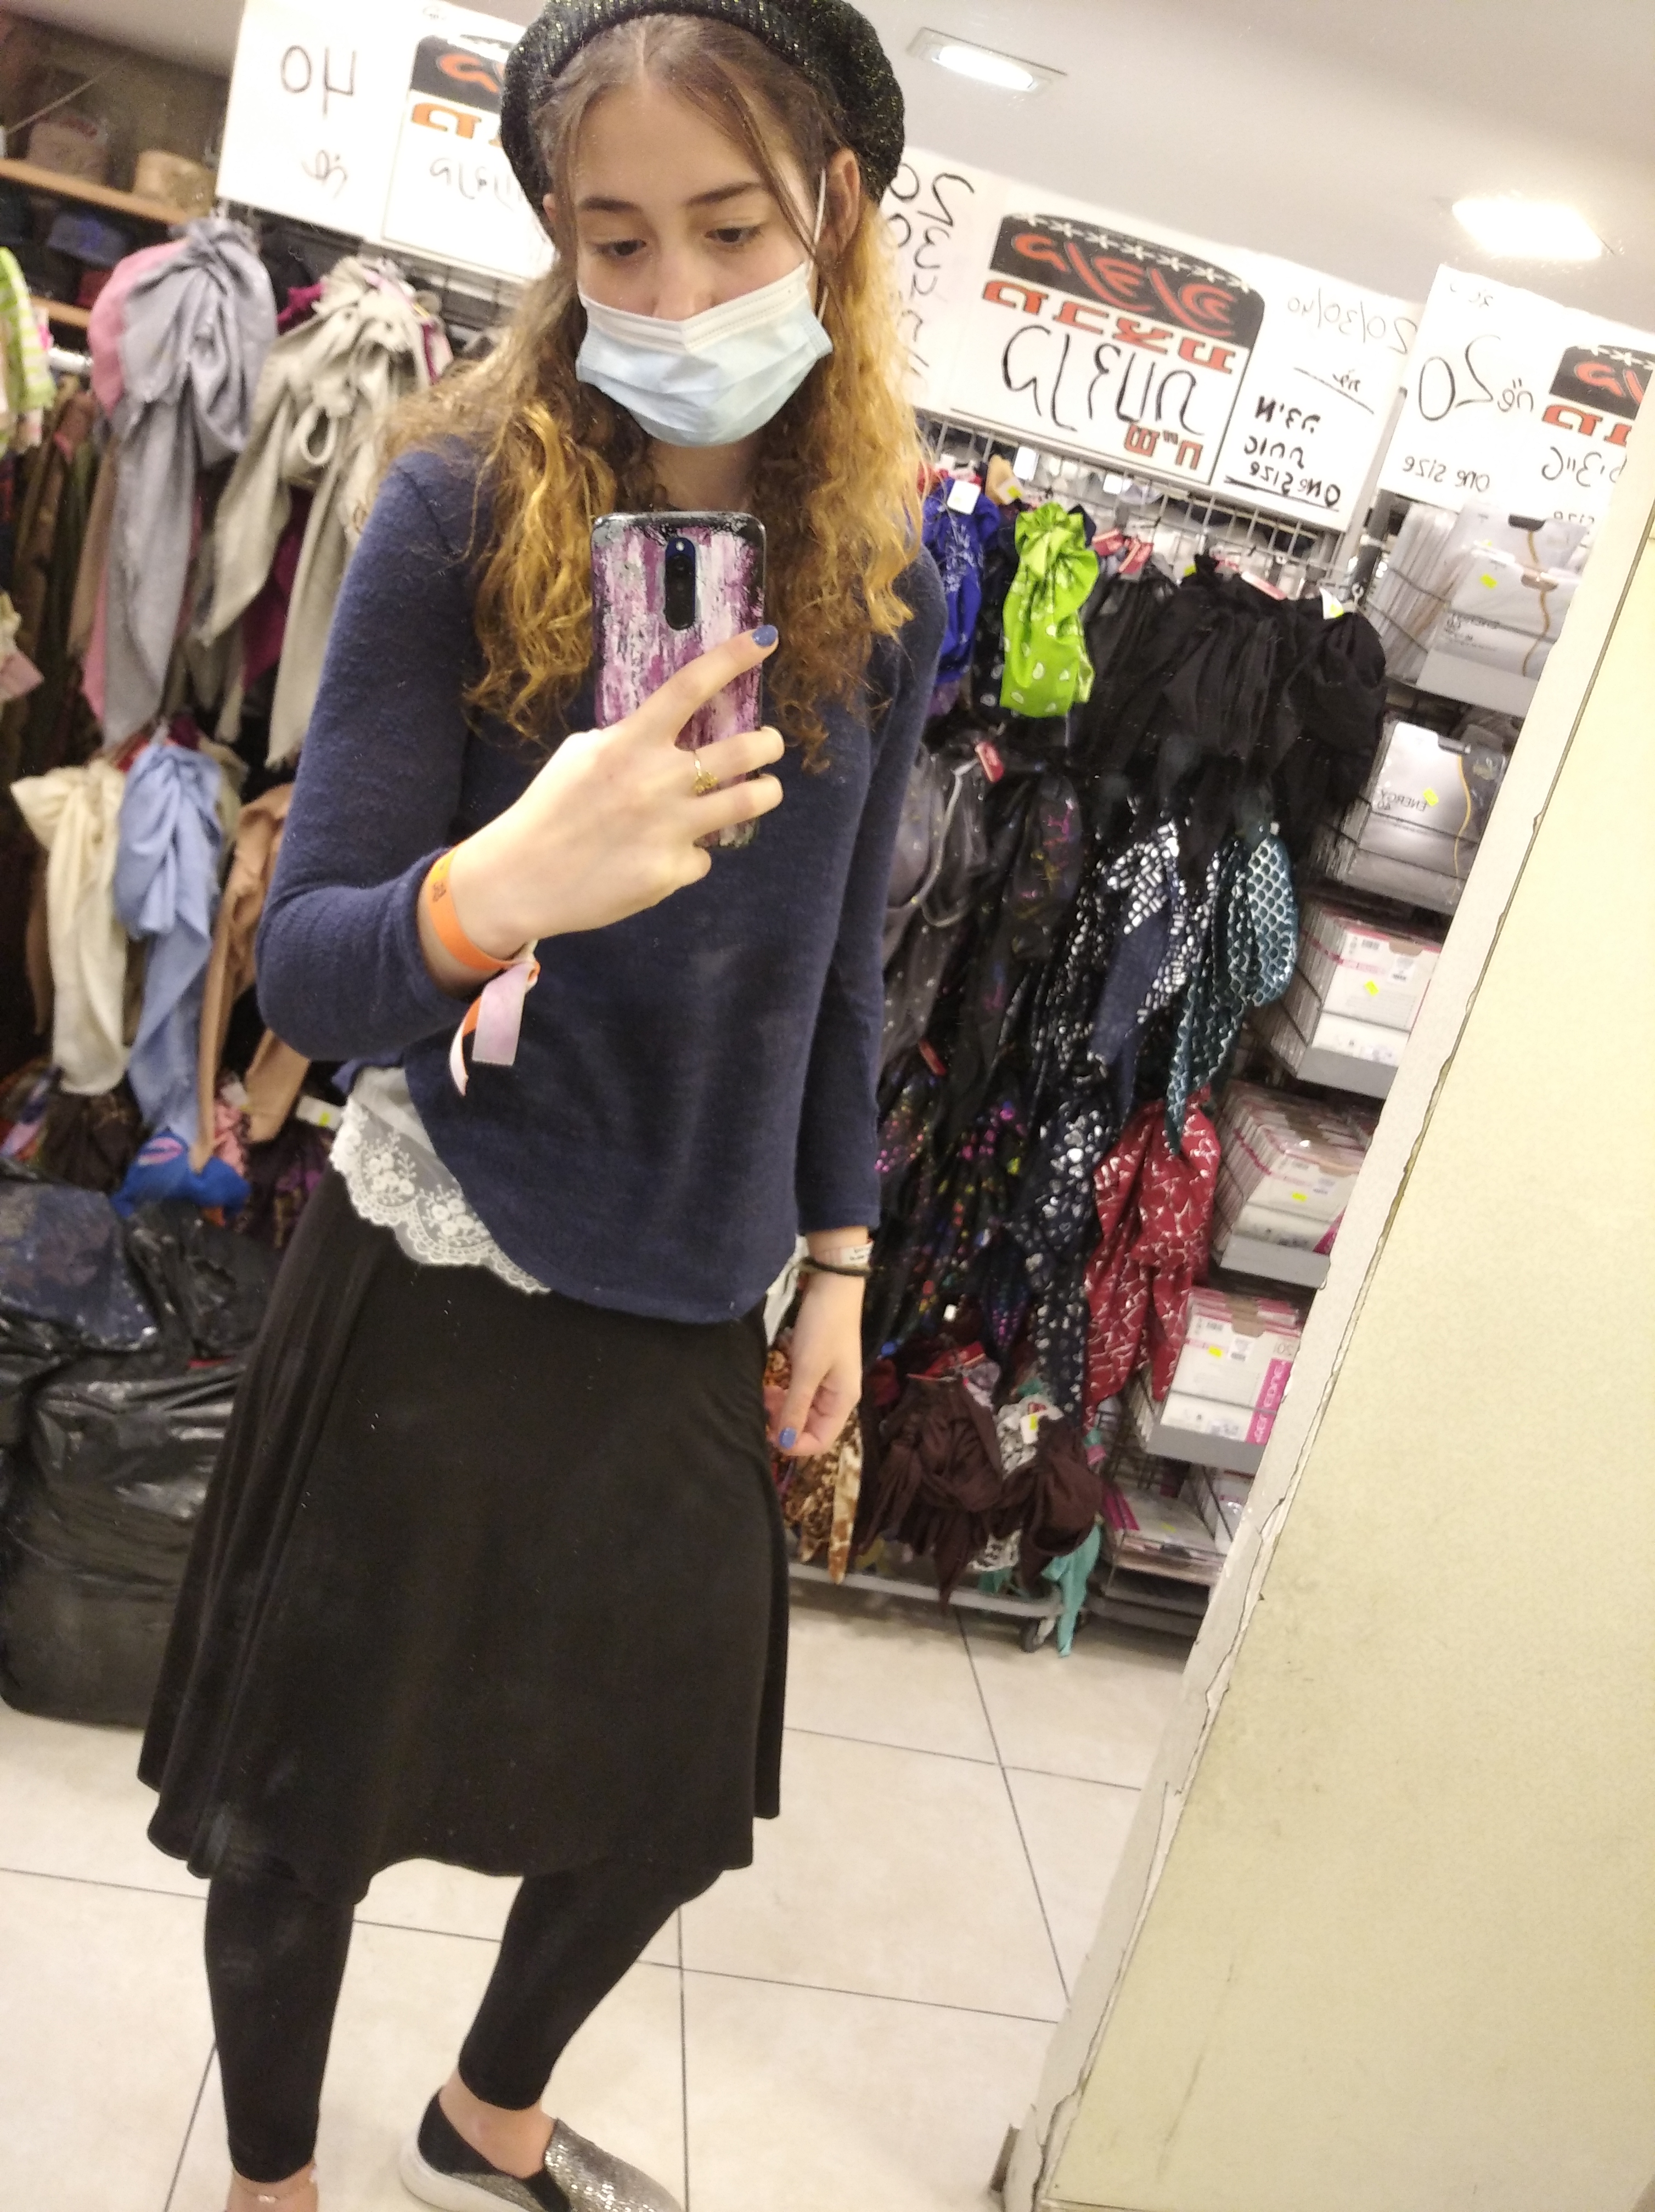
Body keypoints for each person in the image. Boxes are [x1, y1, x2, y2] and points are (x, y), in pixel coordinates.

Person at [136, 5, 943, 2209]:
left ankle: (485, 2112)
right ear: (559, 242)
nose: (674, 294)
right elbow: (311, 977)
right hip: (441, 1263)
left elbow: (838, 971)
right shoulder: (457, 506)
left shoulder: (883, 566)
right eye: (617, 239)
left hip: (697, 1285)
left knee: (667, 1802)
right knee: (304, 1801)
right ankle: (271, 2183)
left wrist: (841, 1256)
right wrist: (502, 885)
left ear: (835, 212)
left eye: (730, 228)